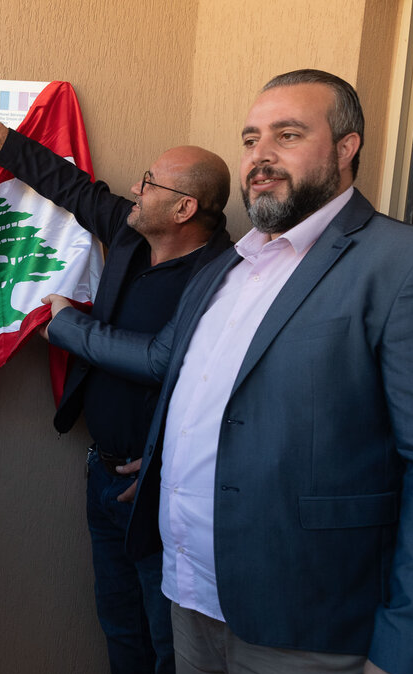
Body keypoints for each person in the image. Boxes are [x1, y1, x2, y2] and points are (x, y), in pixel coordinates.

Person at [43, 69, 411, 674]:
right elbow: (188, 379)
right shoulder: (230, 268)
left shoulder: (396, 264)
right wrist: (162, 461)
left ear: (347, 148)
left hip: (305, 623)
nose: (261, 157)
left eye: (287, 135)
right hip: (189, 595)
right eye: (250, 140)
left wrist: (399, 650)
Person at [0, 105, 232, 673]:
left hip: (159, 491)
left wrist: (67, 324)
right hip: (103, 470)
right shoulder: (132, 232)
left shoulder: (221, 277)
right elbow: (72, 187)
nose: (134, 189)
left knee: (167, 643)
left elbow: (161, 363)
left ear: (185, 208)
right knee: (119, 626)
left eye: (149, 184)